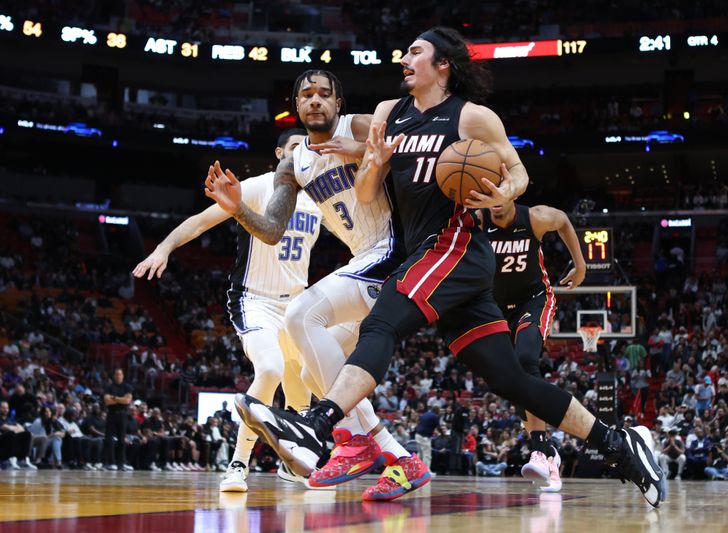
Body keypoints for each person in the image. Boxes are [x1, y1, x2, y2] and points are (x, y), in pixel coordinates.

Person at [234, 27, 665, 507]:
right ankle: (620, 443)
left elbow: (517, 170)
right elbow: (365, 196)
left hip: (456, 245)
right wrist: (372, 163)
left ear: (442, 65)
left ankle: (319, 427)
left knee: (382, 323)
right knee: (509, 379)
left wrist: (507, 193)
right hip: (427, 254)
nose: (405, 57)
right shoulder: (387, 115)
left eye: (415, 51)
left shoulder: (471, 117)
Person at [204, 70, 415, 496]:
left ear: (338, 102)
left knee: (301, 315)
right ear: (296, 105)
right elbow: (271, 230)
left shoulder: (357, 125)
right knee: (319, 365)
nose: (315, 100)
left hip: (395, 251)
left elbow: (416, 150)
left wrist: (363, 148)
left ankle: (351, 440)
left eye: (324, 94)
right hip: (367, 261)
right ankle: (399, 457)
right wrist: (238, 207)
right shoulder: (293, 163)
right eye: (306, 94)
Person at [135, 129, 334, 490]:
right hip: (255, 300)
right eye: (292, 148)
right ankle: (238, 464)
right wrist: (163, 248)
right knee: (270, 369)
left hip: (297, 306)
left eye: (305, 149)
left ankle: (292, 465)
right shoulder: (258, 187)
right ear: (279, 154)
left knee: (302, 391)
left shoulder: (318, 198)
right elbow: (201, 221)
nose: (300, 154)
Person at [477, 201, 586, 493]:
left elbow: (563, 217)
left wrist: (580, 263)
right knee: (510, 379)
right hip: (495, 305)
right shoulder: (476, 219)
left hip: (534, 299)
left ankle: (540, 448)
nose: (495, 202)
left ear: (512, 193)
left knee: (525, 358)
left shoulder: (534, 218)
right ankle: (548, 453)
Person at [103, 368, 133, 471]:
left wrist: (114, 398)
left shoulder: (127, 386)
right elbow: (107, 401)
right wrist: (121, 399)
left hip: (123, 415)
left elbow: (127, 401)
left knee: (122, 440)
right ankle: (111, 463)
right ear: (114, 376)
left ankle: (122, 463)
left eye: (120, 374)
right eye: (116, 374)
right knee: (109, 439)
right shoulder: (109, 387)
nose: (118, 376)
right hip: (111, 415)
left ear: (123, 375)